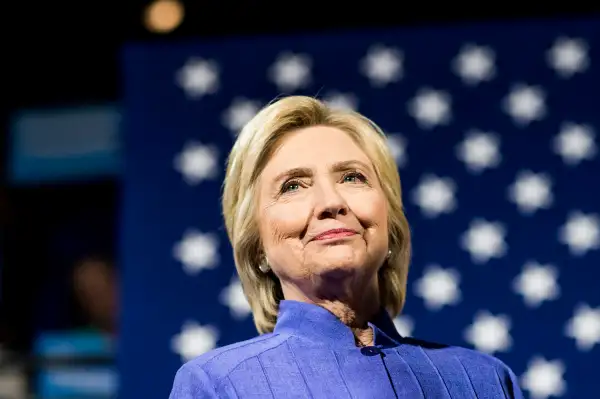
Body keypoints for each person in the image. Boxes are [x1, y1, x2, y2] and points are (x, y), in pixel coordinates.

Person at [169, 96, 523, 398]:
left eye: (352, 178)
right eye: (293, 186)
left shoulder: (485, 380)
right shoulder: (217, 385)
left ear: (391, 226)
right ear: (256, 245)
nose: (331, 201)